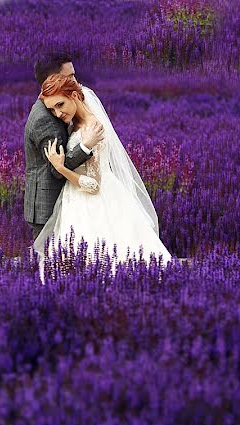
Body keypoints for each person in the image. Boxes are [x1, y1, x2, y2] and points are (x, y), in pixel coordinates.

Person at [32, 73, 174, 278]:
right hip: (76, 198)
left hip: (92, 199)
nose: (57, 113)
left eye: (60, 105)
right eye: (52, 109)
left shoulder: (93, 128)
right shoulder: (76, 123)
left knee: (103, 260)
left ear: (74, 95)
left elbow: (94, 186)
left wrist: (61, 168)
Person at [23, 53, 105, 242]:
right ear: (52, 80)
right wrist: (85, 146)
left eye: (74, 76)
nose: (75, 81)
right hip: (47, 206)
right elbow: (56, 168)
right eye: (69, 77)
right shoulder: (46, 119)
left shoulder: (60, 110)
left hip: (76, 197)